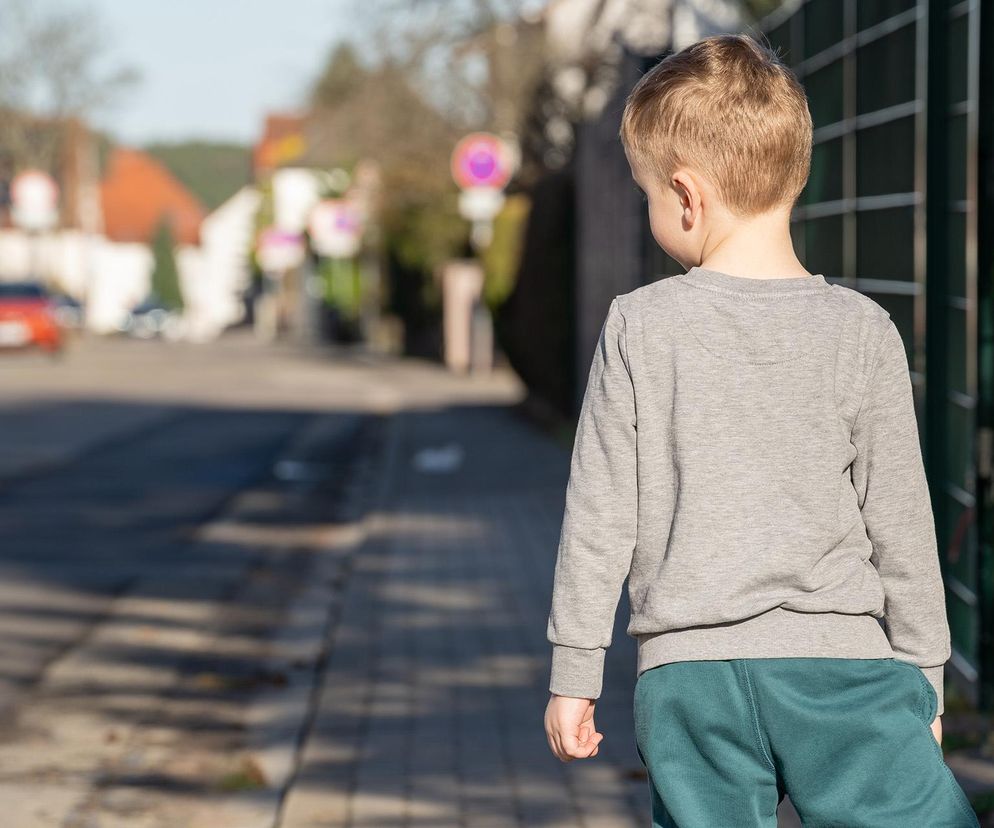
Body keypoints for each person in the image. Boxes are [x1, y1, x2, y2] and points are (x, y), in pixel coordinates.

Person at [542, 33, 979, 827]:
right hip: (842, 670)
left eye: (645, 194)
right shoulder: (861, 330)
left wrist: (575, 672)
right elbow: (901, 522)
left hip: (688, 680)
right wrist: (925, 672)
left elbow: (600, 515)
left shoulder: (640, 326)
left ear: (686, 196)